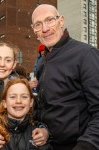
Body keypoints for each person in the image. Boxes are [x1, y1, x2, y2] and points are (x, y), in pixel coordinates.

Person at [30, 4, 99, 150]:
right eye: (38, 24)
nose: (45, 29)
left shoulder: (86, 55)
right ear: (34, 30)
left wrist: (86, 145)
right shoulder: (42, 62)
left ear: (61, 21)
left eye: (49, 20)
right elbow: (48, 107)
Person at [0, 77, 52, 150]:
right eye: (13, 97)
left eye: (24, 97)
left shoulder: (39, 135)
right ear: (4, 103)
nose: (18, 101)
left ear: (31, 102)